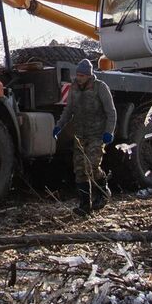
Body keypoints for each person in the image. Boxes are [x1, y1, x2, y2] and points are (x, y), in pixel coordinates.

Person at [53, 58, 116, 215]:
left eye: (82, 75)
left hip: (97, 134)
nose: (79, 77)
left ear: (89, 75)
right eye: (78, 74)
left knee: (92, 166)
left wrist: (109, 131)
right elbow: (69, 110)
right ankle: (84, 205)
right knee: (80, 170)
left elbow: (111, 112)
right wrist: (59, 125)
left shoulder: (100, 88)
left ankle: (103, 192)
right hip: (80, 135)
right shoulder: (74, 88)